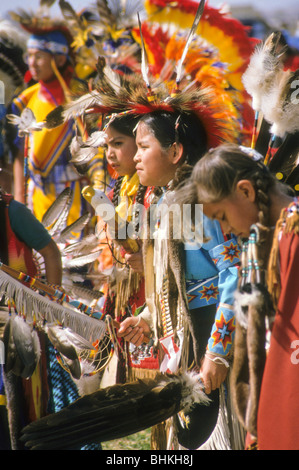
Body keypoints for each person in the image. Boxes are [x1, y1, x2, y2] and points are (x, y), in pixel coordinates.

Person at [117, 111, 242, 450]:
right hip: (184, 340)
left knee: (212, 435)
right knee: (185, 437)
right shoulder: (165, 203)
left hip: (211, 333)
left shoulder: (200, 203)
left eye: (144, 147)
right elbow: (176, 282)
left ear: (175, 152)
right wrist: (147, 316)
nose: (136, 155)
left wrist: (217, 351)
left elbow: (236, 274)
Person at [181, 143, 298, 450]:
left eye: (221, 216)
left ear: (246, 191)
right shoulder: (263, 239)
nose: (225, 228)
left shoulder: (293, 235)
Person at [99, 113, 159, 384]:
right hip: (131, 296)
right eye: (106, 146)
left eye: (118, 143)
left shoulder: (156, 192)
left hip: (155, 295)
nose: (110, 154)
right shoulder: (121, 188)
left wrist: (149, 263)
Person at [6, 26, 88, 225]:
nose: (32, 63)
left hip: (75, 196)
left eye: (39, 56)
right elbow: (19, 154)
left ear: (60, 59)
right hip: (37, 198)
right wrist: (19, 200)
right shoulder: (25, 100)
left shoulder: (81, 96)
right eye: (30, 55)